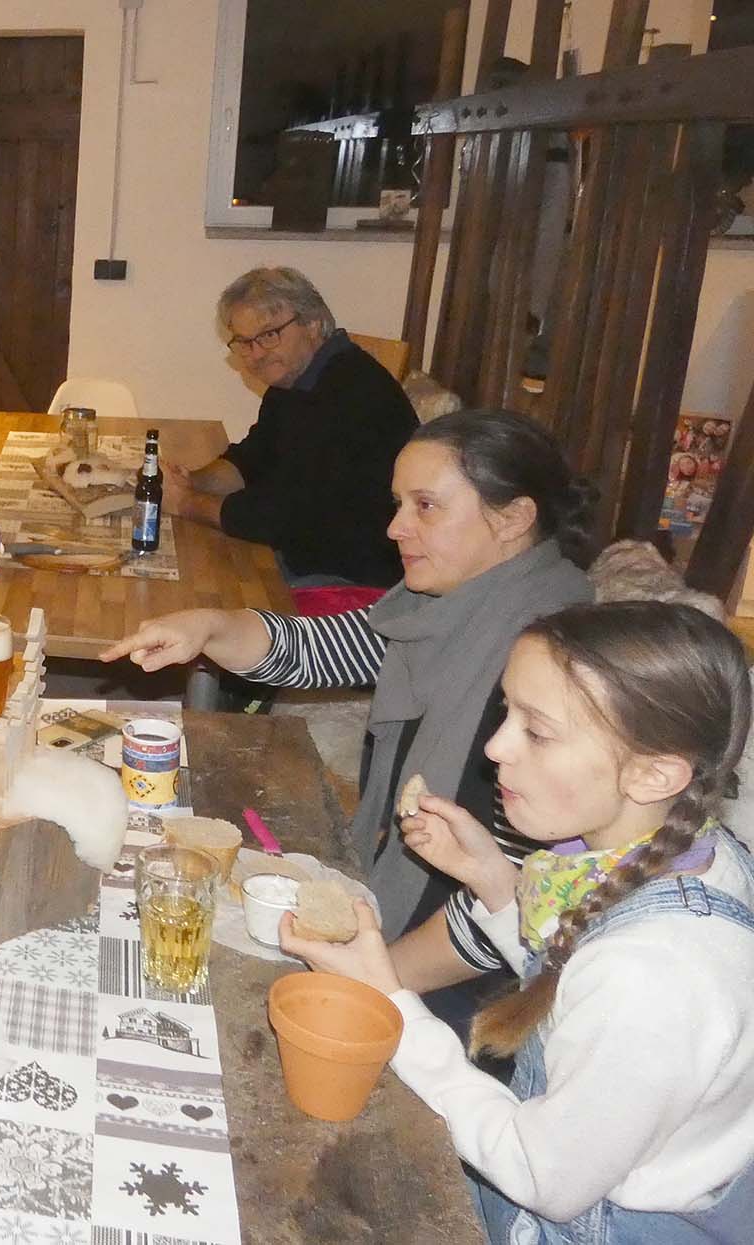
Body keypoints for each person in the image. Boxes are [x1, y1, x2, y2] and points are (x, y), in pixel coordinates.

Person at [284, 601, 754, 1242]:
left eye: (538, 732)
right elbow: (573, 982)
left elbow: (543, 1178)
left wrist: (392, 1010)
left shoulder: (654, 975)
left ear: (653, 774)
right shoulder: (694, 854)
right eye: (507, 712)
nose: (495, 746)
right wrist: (495, 884)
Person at [101, 409, 596, 993]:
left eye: (426, 506)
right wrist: (209, 626)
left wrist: (366, 983)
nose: (396, 528)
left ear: (513, 517)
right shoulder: (448, 606)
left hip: (470, 988)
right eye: (399, 504)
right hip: (402, 923)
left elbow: (517, 899)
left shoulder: (551, 666)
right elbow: (321, 649)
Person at [164, 266, 417, 588]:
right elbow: (253, 459)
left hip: (349, 579)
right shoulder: (296, 381)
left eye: (269, 336)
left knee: (198, 581)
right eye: (245, 342)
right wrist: (190, 481)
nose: (256, 354)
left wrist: (187, 503)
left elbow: (283, 517)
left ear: (313, 324)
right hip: (304, 552)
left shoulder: (353, 394)